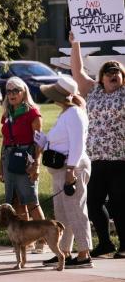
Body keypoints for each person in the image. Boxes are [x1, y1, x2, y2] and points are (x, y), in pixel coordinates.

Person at [69, 33, 125, 259]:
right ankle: (105, 243)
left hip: (120, 159)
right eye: (109, 72)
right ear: (101, 77)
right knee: (92, 203)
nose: (113, 74)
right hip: (94, 160)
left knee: (121, 205)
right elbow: (77, 71)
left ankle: (124, 245)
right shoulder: (92, 91)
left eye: (117, 72)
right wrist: (75, 43)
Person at [39, 76, 93, 268]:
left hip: (72, 168)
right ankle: (64, 252)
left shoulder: (75, 114)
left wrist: (71, 170)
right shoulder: (66, 113)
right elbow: (63, 140)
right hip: (60, 169)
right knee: (62, 213)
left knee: (76, 210)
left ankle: (84, 254)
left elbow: (77, 145)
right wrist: (44, 141)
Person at [0, 76, 46, 252]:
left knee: (31, 200)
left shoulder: (32, 113)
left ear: (24, 92)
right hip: (9, 158)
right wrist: (0, 166)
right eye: (8, 91)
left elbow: (40, 141)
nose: (12, 94)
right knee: (17, 202)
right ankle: (27, 240)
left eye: (16, 90)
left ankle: (43, 239)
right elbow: (4, 141)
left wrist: (36, 164)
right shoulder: (7, 114)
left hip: (26, 159)